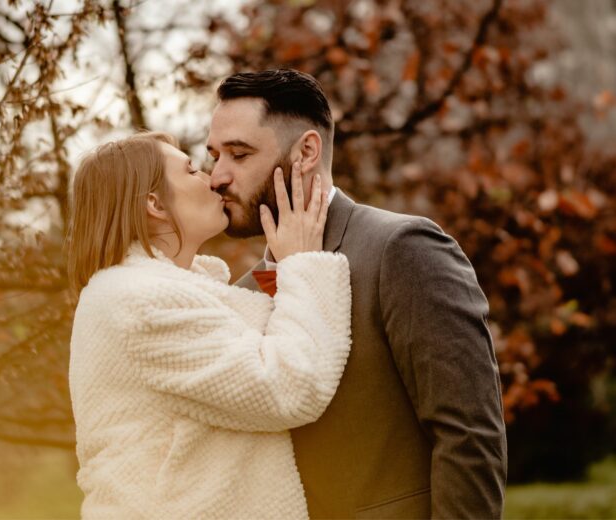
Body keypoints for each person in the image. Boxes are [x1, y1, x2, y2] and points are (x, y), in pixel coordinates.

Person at [207, 69, 508, 519]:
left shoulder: (402, 249)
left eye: (239, 154)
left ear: (307, 151)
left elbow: (469, 437)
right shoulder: (243, 292)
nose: (217, 177)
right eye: (213, 155)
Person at [66, 131, 352, 519]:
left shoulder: (150, 292)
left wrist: (284, 268)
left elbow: (258, 339)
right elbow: (289, 386)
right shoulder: (140, 302)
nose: (213, 179)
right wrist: (303, 264)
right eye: (191, 170)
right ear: (154, 203)